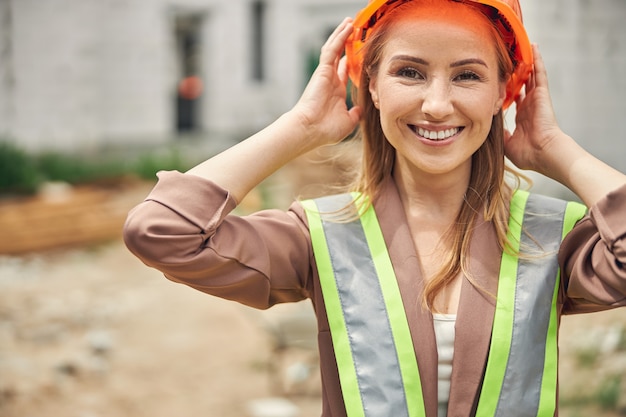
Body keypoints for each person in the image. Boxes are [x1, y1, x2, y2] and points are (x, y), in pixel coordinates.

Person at [123, 0, 626, 415]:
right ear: (373, 88)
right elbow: (163, 231)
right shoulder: (321, 236)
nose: (436, 104)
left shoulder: (552, 238)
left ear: (502, 93)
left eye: (467, 76)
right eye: (410, 72)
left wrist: (556, 149)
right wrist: (299, 127)